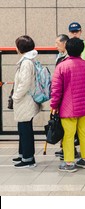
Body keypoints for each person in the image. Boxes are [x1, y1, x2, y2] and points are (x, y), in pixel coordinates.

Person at [50, 37, 85, 172]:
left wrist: (54, 105)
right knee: (84, 133)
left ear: (67, 49)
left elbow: (56, 89)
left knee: (68, 135)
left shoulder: (62, 66)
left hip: (67, 107)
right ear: (82, 50)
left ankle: (69, 163)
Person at [12, 35, 41, 168]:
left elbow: (24, 83)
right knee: (23, 128)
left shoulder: (26, 63)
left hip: (25, 100)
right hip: (26, 100)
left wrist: (15, 96)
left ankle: (28, 158)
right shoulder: (28, 60)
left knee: (25, 129)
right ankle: (23, 153)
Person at [53, 34, 80, 160]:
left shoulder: (65, 62)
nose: (56, 46)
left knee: (68, 131)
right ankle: (68, 151)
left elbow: (58, 86)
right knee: (71, 131)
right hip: (73, 100)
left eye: (58, 44)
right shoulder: (61, 58)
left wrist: (55, 103)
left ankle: (69, 156)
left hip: (67, 102)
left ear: (65, 44)